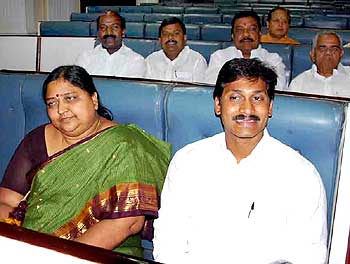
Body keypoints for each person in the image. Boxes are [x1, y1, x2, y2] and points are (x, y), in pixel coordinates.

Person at [153, 58, 327, 263]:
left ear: (270, 107)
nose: (247, 109)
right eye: (235, 98)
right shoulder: (187, 162)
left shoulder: (300, 174)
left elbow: (310, 256)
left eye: (257, 98)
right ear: (218, 105)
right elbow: (168, 244)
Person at [0, 65, 171, 257]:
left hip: (100, 254)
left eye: (70, 98)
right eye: (51, 103)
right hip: (32, 245)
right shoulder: (37, 138)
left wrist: (58, 257)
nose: (61, 109)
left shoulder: (124, 144)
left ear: (94, 99)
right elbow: (8, 200)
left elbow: (128, 223)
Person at [205, 11, 287, 91]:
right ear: (233, 36)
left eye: (252, 29)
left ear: (260, 34)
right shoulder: (219, 57)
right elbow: (212, 87)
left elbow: (277, 90)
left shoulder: (273, 60)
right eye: (240, 30)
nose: (246, 34)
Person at [75, 10, 146, 78]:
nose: (109, 32)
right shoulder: (85, 58)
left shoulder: (136, 60)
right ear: (98, 33)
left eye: (115, 27)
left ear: (123, 32)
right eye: (103, 28)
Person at [288, 31, 350, 97]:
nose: (328, 53)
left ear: (341, 54)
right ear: (312, 54)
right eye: (322, 49)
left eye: (334, 49)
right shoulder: (298, 83)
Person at [145, 17, 207, 83]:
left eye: (176, 33)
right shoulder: (150, 60)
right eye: (165, 34)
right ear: (160, 40)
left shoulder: (197, 61)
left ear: (185, 38)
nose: (170, 37)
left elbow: (200, 92)